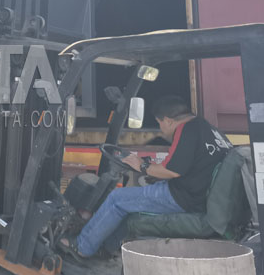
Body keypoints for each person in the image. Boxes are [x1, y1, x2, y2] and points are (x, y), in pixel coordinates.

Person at [61, 95, 231, 258]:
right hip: (198, 195)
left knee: (117, 199)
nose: (161, 129)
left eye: (160, 123)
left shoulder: (186, 130)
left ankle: (82, 246)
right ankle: (107, 247)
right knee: (129, 202)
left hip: (183, 198)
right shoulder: (207, 128)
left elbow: (172, 171)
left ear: (168, 121)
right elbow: (188, 166)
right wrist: (152, 171)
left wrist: (142, 166)